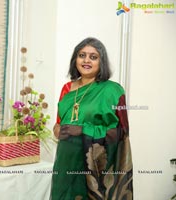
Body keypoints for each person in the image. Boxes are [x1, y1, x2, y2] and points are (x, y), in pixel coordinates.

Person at [50, 37, 133, 200]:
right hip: (65, 162)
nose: (86, 60)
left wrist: (82, 131)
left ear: (101, 62)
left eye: (93, 57)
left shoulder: (112, 91)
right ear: (75, 59)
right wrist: (58, 129)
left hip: (95, 166)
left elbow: (121, 132)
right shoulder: (66, 89)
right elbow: (59, 124)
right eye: (82, 55)